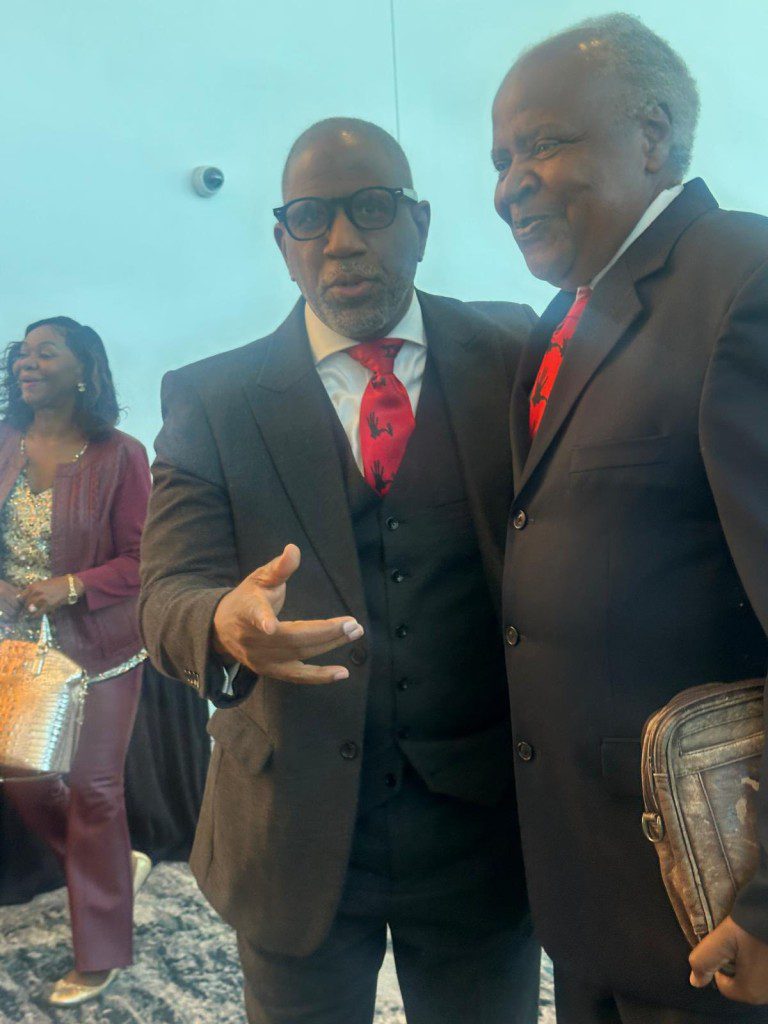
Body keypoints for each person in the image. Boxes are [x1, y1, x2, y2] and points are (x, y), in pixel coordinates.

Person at [140, 118, 541, 1024]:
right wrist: (220, 624)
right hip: (290, 820)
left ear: (421, 223)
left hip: (481, 822)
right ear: (283, 242)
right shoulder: (214, 397)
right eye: (311, 217)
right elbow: (165, 593)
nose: (342, 240)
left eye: (372, 208)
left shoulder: (514, 355)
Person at [491, 13, 768, 1022]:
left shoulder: (744, 280)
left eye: (541, 144)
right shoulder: (565, 320)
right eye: (500, 161)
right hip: (595, 893)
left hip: (719, 912)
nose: (509, 185)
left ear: (651, 138)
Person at [0, 317, 152, 1006]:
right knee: (22, 777)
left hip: (101, 648)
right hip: (15, 647)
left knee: (94, 791)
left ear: (84, 369)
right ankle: (113, 867)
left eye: (45, 352)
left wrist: (73, 585)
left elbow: (144, 557)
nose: (27, 363)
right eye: (22, 354)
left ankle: (100, 951)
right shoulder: (4, 442)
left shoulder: (121, 455)